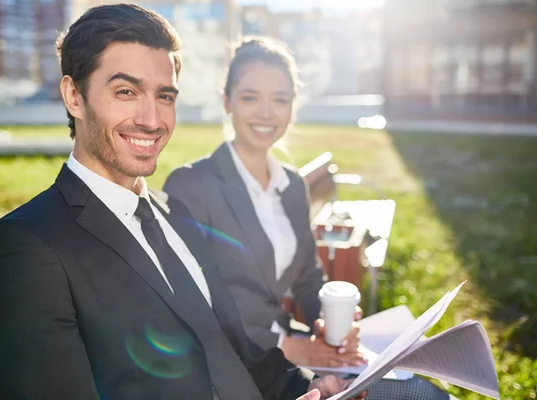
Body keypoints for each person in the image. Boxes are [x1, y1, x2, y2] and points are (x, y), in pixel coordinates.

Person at [0, 4, 368, 400]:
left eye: (164, 95)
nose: (151, 118)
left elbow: (237, 352)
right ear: (74, 96)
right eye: (125, 91)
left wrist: (313, 386)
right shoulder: (25, 248)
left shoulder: (173, 212)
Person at [163, 37, 450, 400]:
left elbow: (306, 275)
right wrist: (291, 346)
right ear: (227, 102)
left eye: (280, 99)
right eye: (251, 97)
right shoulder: (191, 185)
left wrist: (330, 322)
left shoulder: (292, 185)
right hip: (235, 371)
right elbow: (196, 301)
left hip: (297, 349)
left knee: (425, 393)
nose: (266, 113)